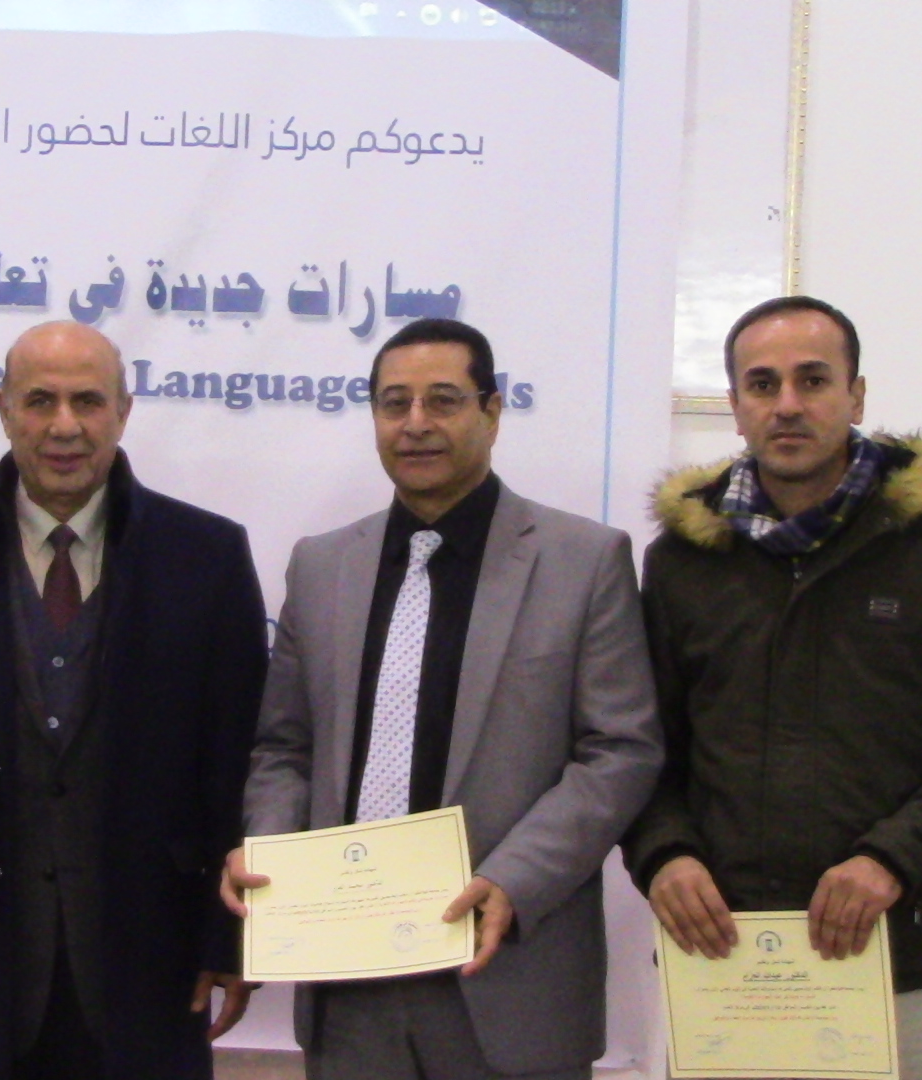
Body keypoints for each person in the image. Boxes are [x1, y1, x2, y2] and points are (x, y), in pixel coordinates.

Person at [224, 318, 663, 1080]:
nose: (416, 423)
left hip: (507, 976)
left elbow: (620, 752)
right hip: (347, 983)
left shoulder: (584, 560)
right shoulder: (322, 565)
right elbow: (284, 747)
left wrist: (516, 879)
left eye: (444, 400)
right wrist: (269, 851)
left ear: (492, 412)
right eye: (395, 403)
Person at [622, 295, 922, 1080]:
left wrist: (892, 861)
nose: (787, 404)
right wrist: (664, 856)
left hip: (882, 959)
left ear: (856, 396)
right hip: (718, 960)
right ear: (736, 408)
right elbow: (642, 747)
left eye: (812, 380)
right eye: (762, 384)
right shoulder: (682, 562)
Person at [0, 321, 269, 1080]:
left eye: (87, 401)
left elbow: (237, 766)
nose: (64, 426)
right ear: (4, 410)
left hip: (154, 962)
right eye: (40, 401)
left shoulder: (206, 557)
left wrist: (231, 938)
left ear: (123, 412)